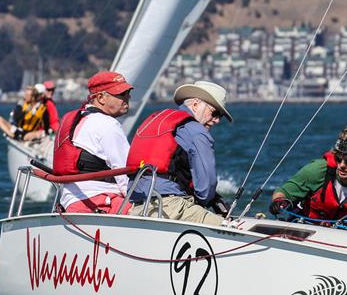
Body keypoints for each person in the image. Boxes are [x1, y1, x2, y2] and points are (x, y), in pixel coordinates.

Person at [127, 80, 233, 226]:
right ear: (196, 105)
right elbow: (205, 188)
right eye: (215, 113)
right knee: (228, 226)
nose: (216, 120)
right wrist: (211, 203)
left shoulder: (156, 120)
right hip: (170, 208)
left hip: (136, 206)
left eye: (219, 116)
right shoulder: (197, 132)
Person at [269, 122, 347, 234]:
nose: (341, 166)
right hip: (305, 232)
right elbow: (284, 191)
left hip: (345, 242)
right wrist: (279, 201)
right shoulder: (316, 171)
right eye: (338, 159)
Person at [53, 71, 133, 214]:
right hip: (101, 203)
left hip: (69, 203)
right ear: (101, 97)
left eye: (127, 92)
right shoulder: (108, 124)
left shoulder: (77, 119)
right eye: (121, 94)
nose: (127, 98)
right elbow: (126, 179)